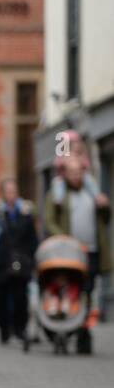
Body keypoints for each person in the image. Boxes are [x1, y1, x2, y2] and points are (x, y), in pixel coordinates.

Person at [43, 135, 110, 355]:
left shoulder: (92, 192)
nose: (76, 175)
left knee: (88, 292)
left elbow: (105, 220)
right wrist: (65, 239)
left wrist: (105, 206)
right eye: (72, 172)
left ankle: (84, 333)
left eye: (79, 172)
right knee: (67, 289)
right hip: (68, 254)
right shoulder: (58, 192)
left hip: (91, 250)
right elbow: (49, 220)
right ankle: (63, 329)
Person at [0, 177, 39, 345]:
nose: (11, 195)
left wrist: (30, 259)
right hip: (1, 262)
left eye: (14, 191)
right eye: (8, 191)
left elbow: (33, 239)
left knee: (21, 297)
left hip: (21, 261)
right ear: (3, 193)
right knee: (2, 297)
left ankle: (20, 330)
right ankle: (5, 331)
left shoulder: (26, 212)